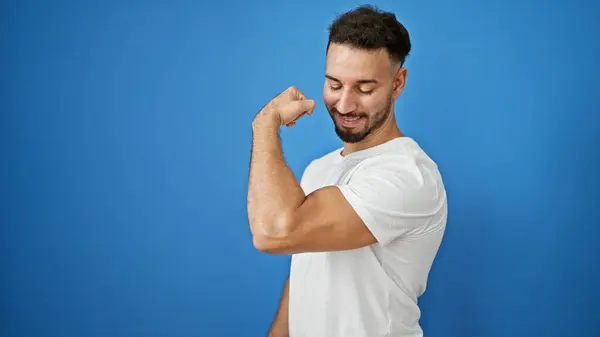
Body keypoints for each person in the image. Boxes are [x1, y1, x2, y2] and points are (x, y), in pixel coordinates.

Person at [247, 5, 447, 337]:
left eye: (365, 88)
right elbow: (305, 273)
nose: (344, 104)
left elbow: (274, 233)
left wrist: (265, 124)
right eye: (335, 85)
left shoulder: (407, 174)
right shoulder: (319, 169)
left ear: (398, 83)